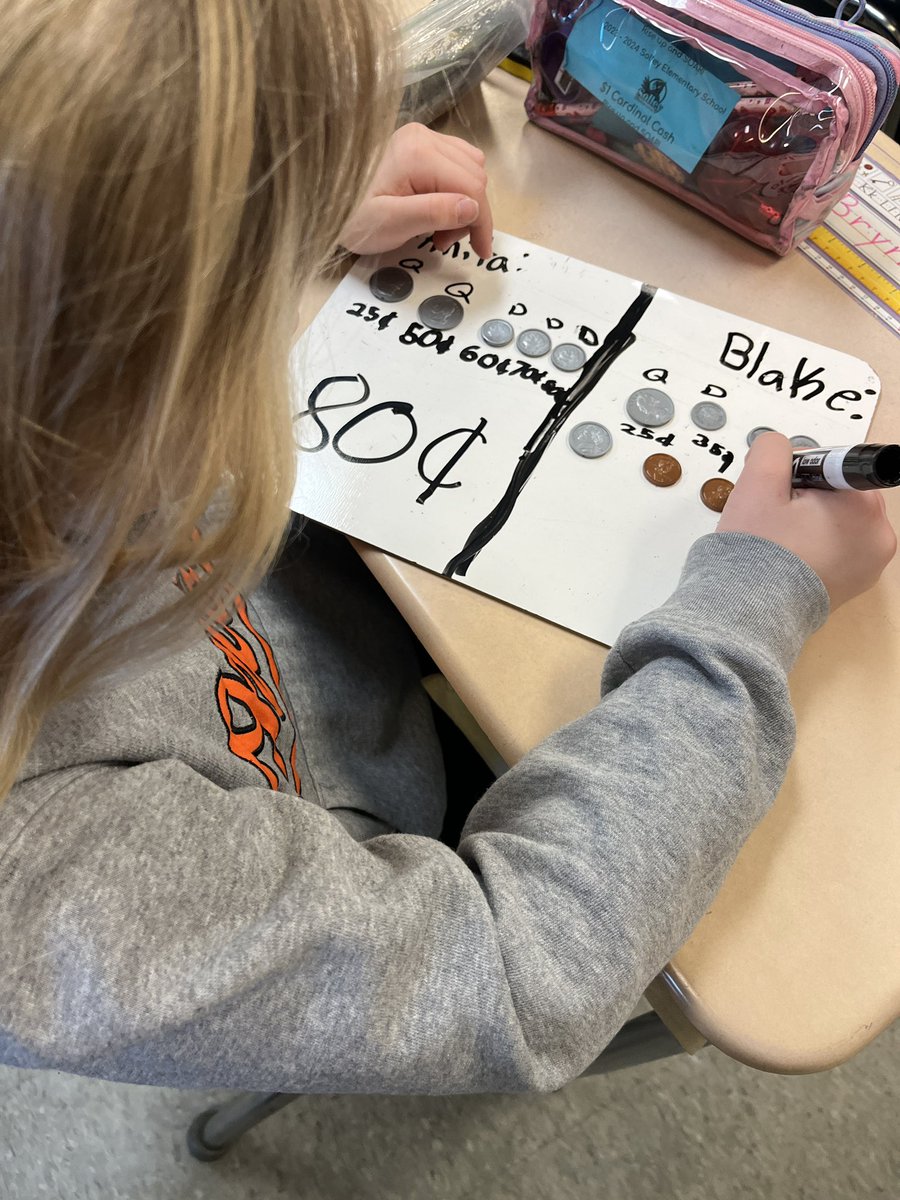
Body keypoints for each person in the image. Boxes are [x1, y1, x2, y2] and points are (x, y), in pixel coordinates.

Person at [0, 1, 894, 1096]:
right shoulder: (52, 891)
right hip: (377, 814)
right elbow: (520, 975)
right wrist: (756, 604)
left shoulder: (59, 384)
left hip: (334, 573)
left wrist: (303, 196)